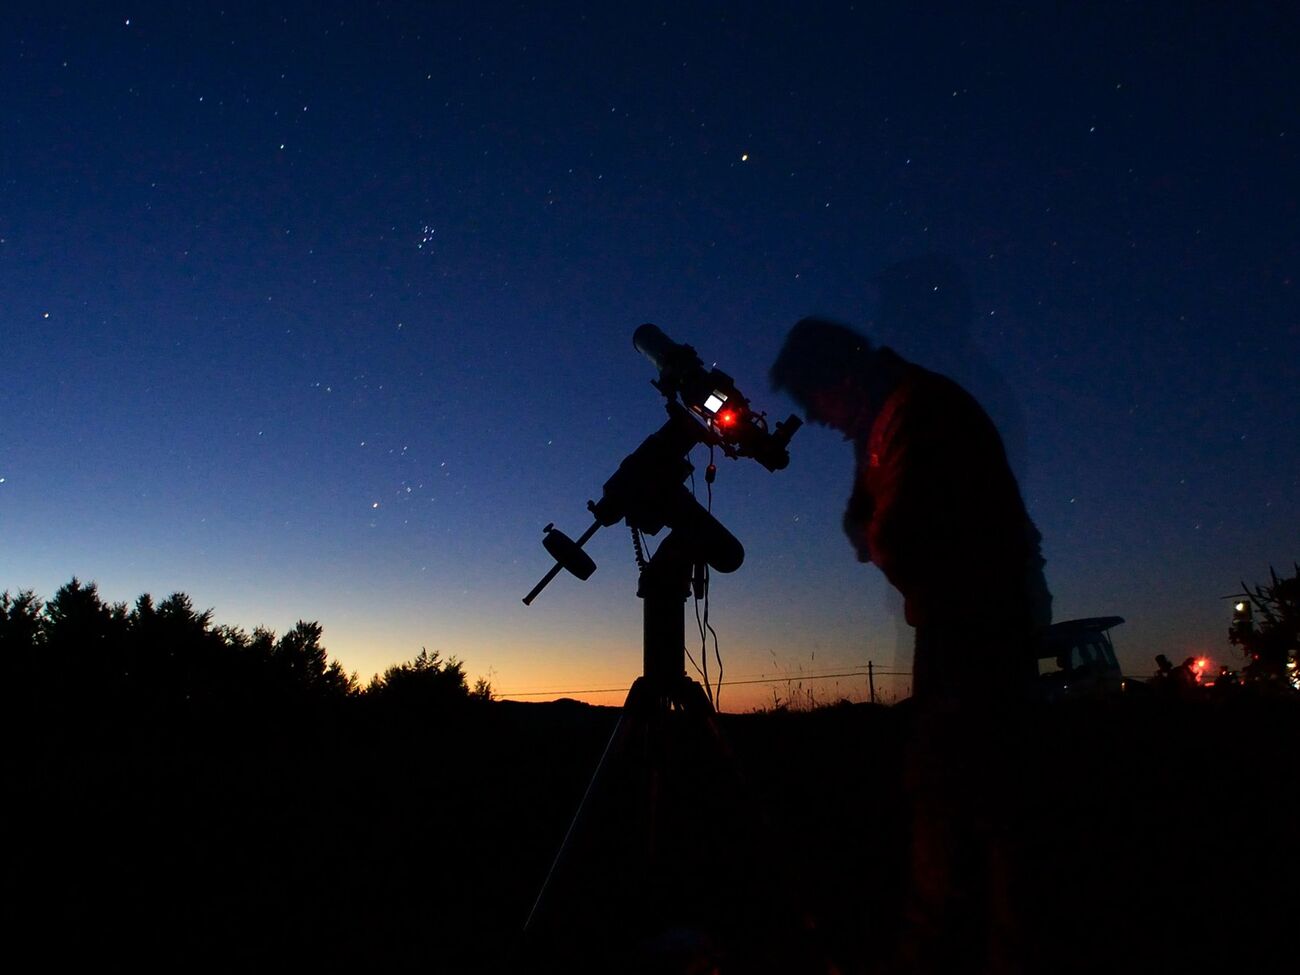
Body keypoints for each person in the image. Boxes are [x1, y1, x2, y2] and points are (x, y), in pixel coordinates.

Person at [771, 316, 1053, 973]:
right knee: (974, 812)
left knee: (962, 813)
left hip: (976, 633)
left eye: (815, 401)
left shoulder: (918, 413)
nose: (817, 419)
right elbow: (867, 516)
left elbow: (896, 534)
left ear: (839, 376)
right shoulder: (896, 413)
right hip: (966, 627)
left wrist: (877, 531)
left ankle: (962, 948)